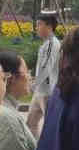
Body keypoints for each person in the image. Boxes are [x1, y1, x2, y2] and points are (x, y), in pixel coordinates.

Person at [26, 11, 61, 139]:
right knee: (30, 123)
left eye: (39, 24)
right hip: (40, 91)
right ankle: (36, 149)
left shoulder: (52, 44)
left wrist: (33, 85)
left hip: (48, 93)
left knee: (51, 127)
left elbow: (46, 68)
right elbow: (42, 67)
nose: (36, 28)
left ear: (49, 26)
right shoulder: (46, 43)